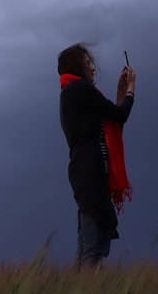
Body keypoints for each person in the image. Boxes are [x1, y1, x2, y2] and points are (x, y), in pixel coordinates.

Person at [57, 43, 136, 269]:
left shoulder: (74, 93)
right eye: (89, 63)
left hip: (86, 175)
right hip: (90, 175)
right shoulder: (80, 90)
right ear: (77, 67)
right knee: (92, 246)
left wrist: (121, 92)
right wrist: (131, 89)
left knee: (88, 243)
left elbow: (113, 122)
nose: (93, 68)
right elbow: (120, 115)